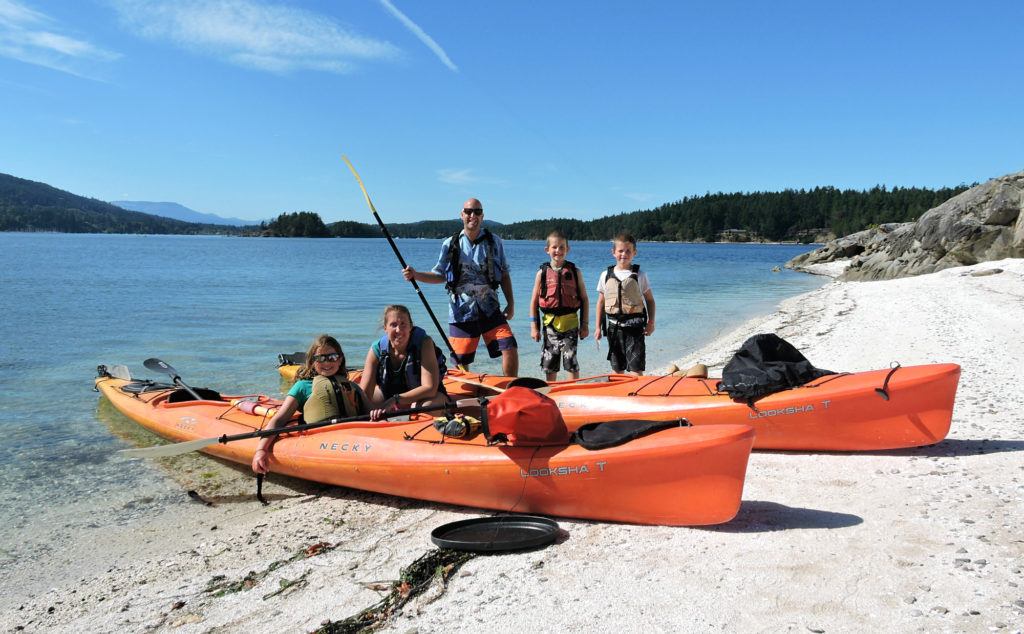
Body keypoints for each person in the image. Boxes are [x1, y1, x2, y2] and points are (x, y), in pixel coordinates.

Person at [402, 198, 519, 375]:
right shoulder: (450, 244)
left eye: (477, 212)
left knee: (509, 346)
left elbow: (503, 274)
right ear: (462, 214)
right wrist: (416, 275)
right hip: (461, 312)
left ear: (483, 215)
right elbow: (440, 275)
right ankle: (466, 397)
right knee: (461, 363)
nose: (473, 215)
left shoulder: (495, 242)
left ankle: (511, 390)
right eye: (469, 211)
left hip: (490, 308)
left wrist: (511, 303)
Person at [251, 334, 370, 474]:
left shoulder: (353, 387)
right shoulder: (303, 386)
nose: (326, 363)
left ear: (340, 360)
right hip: (321, 441)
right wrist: (261, 450)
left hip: (355, 436)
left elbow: (373, 415)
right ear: (313, 362)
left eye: (332, 357)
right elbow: (279, 419)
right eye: (320, 358)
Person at [359, 305, 449, 417]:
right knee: (359, 406)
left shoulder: (424, 343)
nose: (399, 330)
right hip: (388, 396)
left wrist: (396, 400)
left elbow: (430, 388)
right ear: (385, 328)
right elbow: (364, 394)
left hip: (424, 397)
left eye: (403, 324)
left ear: (410, 327)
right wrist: (374, 413)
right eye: (393, 325)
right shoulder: (377, 350)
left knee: (426, 409)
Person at [529, 230, 589, 381]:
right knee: (549, 364)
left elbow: (585, 300)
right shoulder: (541, 274)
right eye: (554, 247)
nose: (558, 251)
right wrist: (534, 327)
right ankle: (552, 394)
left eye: (562, 247)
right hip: (550, 326)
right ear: (547, 250)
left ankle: (572, 392)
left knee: (571, 362)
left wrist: (585, 325)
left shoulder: (575, 272)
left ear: (567, 249)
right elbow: (534, 302)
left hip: (571, 325)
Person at [594, 232, 656, 375]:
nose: (624, 254)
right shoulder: (605, 275)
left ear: (634, 252)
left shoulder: (640, 275)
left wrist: (651, 323)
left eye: (628, 251)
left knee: (636, 369)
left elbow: (650, 300)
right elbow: (600, 302)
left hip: (635, 329)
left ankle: (636, 395)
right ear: (613, 252)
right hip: (613, 329)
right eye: (620, 251)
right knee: (617, 370)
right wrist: (597, 327)